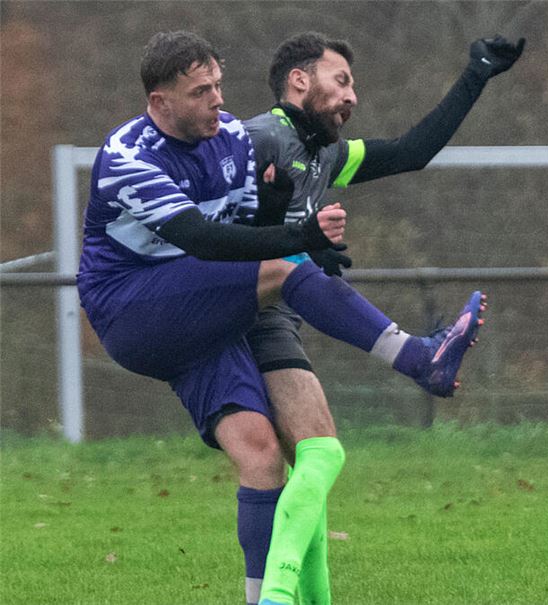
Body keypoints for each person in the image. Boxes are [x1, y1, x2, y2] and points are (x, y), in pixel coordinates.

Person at [76, 31, 485, 605]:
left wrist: (281, 218)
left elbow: (247, 229)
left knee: (261, 455)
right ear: (159, 103)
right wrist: (300, 238)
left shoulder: (235, 142)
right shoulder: (128, 155)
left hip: (198, 310)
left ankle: (262, 599)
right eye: (201, 91)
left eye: (219, 84)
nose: (219, 99)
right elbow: (203, 239)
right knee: (285, 272)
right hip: (131, 308)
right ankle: (419, 358)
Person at [238, 32, 524, 604]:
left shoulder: (324, 154)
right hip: (229, 306)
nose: (352, 96)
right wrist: (287, 236)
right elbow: (213, 221)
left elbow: (411, 152)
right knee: (288, 457)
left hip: (274, 316)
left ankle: (279, 597)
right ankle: (420, 357)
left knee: (314, 456)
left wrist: (475, 77)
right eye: (340, 80)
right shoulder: (256, 137)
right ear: (300, 80)